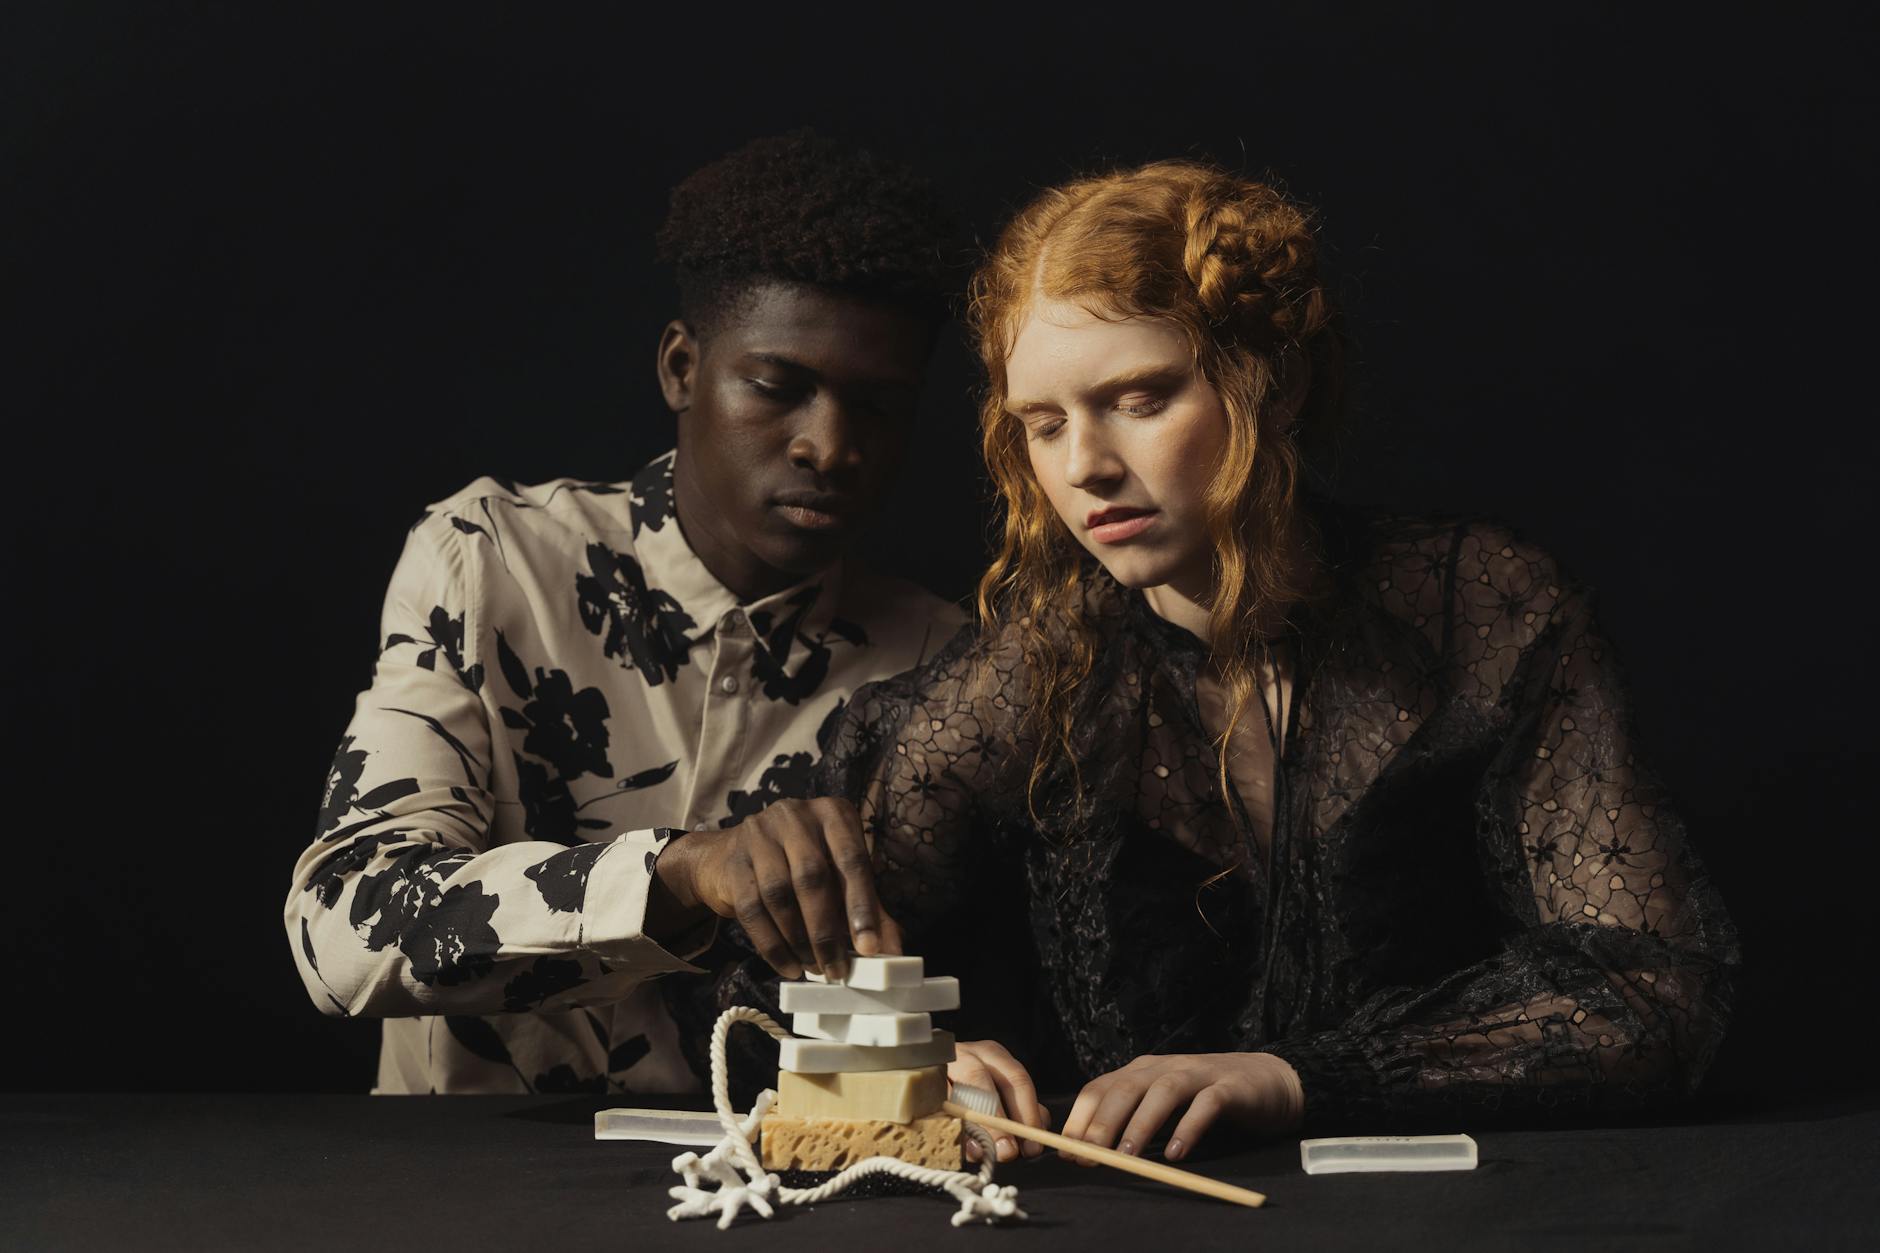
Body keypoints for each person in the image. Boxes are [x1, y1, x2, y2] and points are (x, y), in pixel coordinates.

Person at [800, 158, 1741, 1163]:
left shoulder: (1477, 609)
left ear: (1272, 380)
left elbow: (1653, 989)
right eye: (1043, 423)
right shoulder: (1041, 666)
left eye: (1139, 398)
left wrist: (1295, 1076)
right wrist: (892, 1054)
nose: (1083, 464)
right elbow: (778, 970)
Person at [283, 130, 966, 1094]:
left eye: (879, 407)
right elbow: (343, 927)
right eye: (778, 387)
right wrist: (680, 873)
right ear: (682, 368)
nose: (829, 444)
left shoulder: (945, 661)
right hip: (455, 1190)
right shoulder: (489, 563)